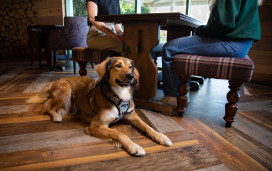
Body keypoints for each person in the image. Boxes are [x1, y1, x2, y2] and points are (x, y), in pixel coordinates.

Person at [161, 0, 261, 107]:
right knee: (178, 47)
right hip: (241, 44)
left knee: (169, 48)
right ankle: (182, 93)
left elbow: (223, 23)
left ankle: (172, 98)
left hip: (231, 43)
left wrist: (200, 30)